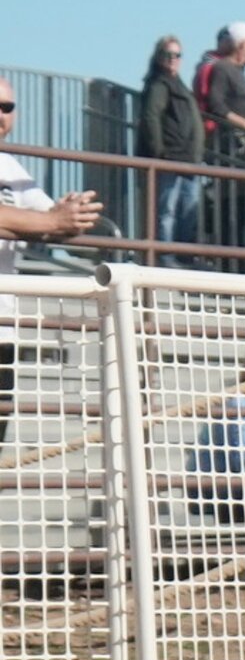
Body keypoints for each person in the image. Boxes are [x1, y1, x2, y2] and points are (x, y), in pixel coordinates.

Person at [0, 76, 105, 443]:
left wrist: (69, 214)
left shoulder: (12, 170)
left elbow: (53, 222)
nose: (1, 115)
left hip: (3, 331)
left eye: (7, 107)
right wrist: (48, 222)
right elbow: (40, 221)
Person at [137, 35, 206, 267]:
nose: (173, 60)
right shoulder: (159, 85)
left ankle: (183, 254)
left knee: (189, 210)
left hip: (188, 160)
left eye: (177, 55)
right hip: (170, 158)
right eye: (168, 55)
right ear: (159, 57)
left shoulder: (181, 87)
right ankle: (165, 255)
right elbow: (151, 117)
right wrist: (159, 151)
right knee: (166, 210)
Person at [204, 20, 245, 265]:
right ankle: (230, 264)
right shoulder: (222, 69)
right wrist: (244, 125)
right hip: (234, 151)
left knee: (243, 211)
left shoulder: (238, 73)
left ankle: (240, 262)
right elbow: (216, 104)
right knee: (232, 210)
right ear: (240, 44)